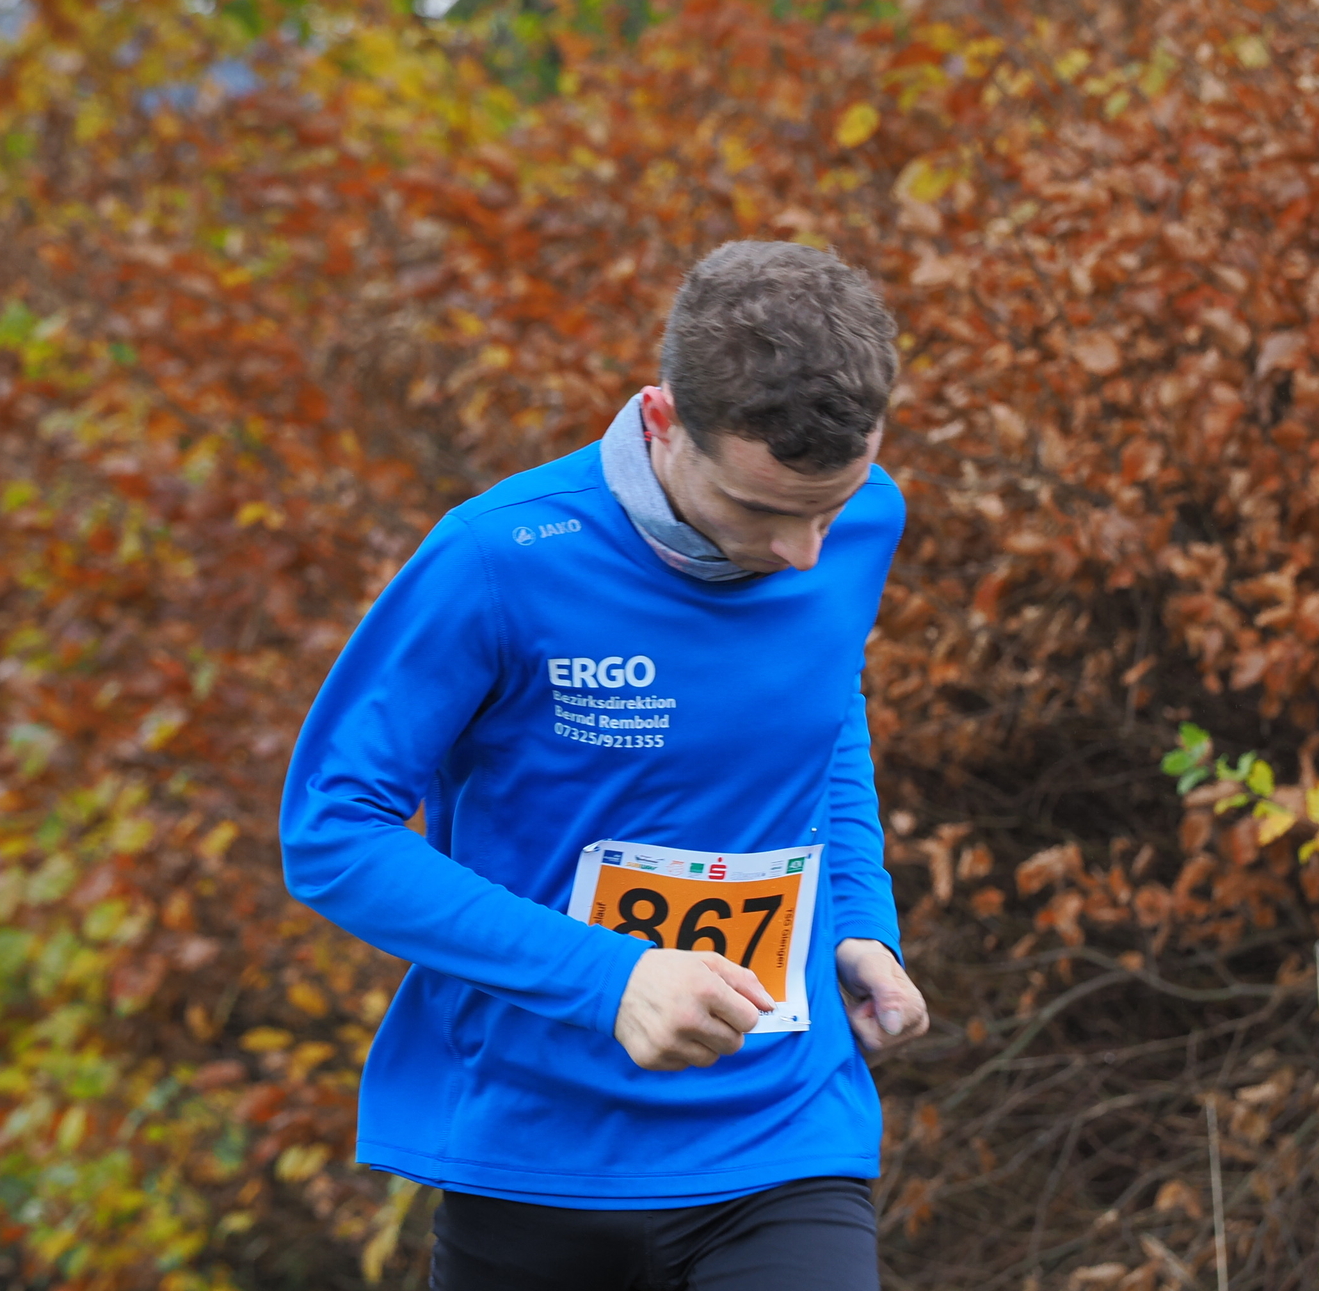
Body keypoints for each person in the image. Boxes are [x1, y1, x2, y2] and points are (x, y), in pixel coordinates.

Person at [280, 240, 929, 1290]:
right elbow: (331, 832)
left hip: (782, 1132)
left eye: (829, 507)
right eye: (762, 511)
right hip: (535, 1149)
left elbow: (823, 706)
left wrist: (857, 918)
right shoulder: (497, 558)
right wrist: (612, 977)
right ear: (662, 422)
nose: (804, 552)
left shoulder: (867, 518)